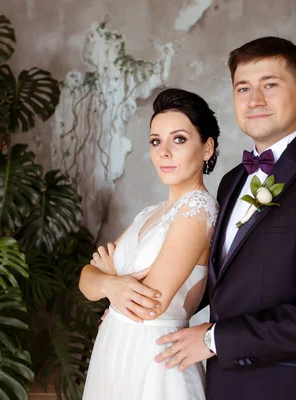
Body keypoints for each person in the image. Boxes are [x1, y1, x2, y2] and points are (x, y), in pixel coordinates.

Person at [151, 37, 296, 399]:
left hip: (292, 387)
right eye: (243, 88)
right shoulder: (231, 180)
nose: (255, 100)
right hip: (224, 384)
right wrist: (132, 308)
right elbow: (220, 280)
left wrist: (214, 338)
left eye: (270, 84)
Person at [79, 88, 220, 400]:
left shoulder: (199, 209)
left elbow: (150, 302)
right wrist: (111, 285)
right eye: (156, 141)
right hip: (116, 348)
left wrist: (108, 284)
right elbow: (85, 280)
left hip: (155, 357)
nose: (163, 152)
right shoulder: (149, 214)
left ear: (207, 148)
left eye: (179, 139)